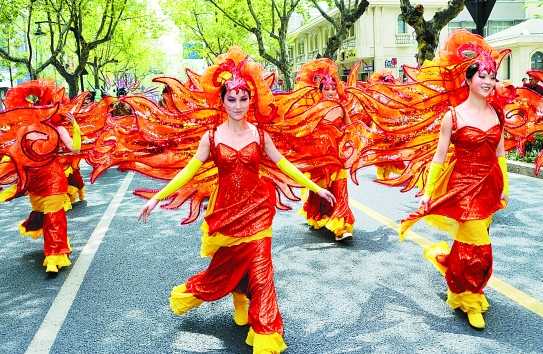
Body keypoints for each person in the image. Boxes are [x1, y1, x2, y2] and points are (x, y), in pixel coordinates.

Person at [136, 48, 336, 354]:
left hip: (258, 212)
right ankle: (193, 294)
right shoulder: (211, 137)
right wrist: (156, 198)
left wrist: (315, 188)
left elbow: (284, 164)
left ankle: (266, 335)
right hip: (228, 215)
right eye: (232, 99)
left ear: (251, 99)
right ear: (222, 100)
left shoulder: (260, 134)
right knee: (222, 272)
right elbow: (186, 173)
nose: (239, 105)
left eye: (244, 99)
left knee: (262, 272)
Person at [399, 50, 508, 329]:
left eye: (492, 77)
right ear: (468, 79)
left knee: (472, 241)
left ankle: (454, 271)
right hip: (463, 187)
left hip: (490, 187)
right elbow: (439, 156)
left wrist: (505, 188)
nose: (488, 81)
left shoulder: (497, 113)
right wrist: (428, 191)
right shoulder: (453, 116)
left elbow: (500, 154)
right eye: (482, 76)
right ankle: (471, 298)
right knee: (480, 245)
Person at [0, 80, 82, 272]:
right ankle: (58, 248)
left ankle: (54, 256)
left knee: (53, 216)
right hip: (40, 182)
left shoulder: (43, 128)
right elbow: (74, 148)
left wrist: (74, 127)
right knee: (49, 217)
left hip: (46, 180)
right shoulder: (33, 128)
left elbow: (74, 148)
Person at [293, 59, 356, 242]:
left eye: (333, 88)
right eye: (326, 89)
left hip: (338, 157)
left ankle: (341, 227)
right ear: (319, 91)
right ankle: (318, 216)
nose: (330, 92)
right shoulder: (313, 110)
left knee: (340, 190)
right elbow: (304, 131)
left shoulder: (341, 108)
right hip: (319, 158)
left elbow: (350, 129)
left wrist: (349, 145)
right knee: (320, 191)